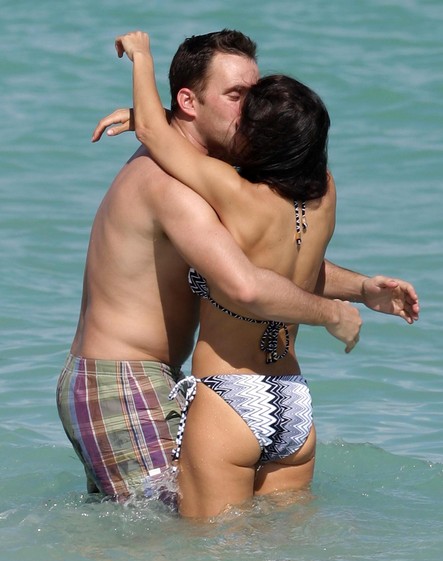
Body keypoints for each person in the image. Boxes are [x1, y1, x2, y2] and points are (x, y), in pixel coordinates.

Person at [57, 29, 418, 505]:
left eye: (255, 94)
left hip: (164, 378)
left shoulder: (216, 178)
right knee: (175, 535)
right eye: (236, 96)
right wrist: (332, 313)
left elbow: (274, 265)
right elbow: (247, 283)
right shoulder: (171, 185)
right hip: (121, 380)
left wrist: (361, 288)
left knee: (174, 536)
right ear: (190, 102)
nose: (252, 111)